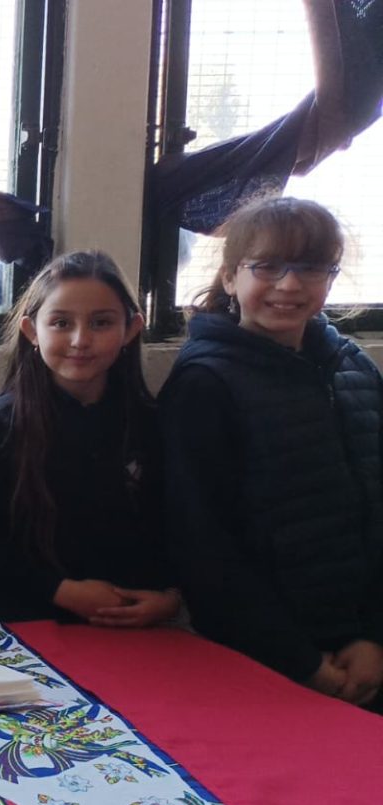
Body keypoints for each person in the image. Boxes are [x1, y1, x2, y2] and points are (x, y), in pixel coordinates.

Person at [160, 197, 383, 708]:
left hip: (365, 651)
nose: (289, 285)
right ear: (231, 276)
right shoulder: (204, 383)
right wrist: (301, 663)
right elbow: (203, 547)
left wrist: (374, 637)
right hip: (267, 659)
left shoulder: (355, 369)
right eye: (267, 266)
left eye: (311, 268)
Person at [0, 250, 178, 626]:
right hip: (25, 621)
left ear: (131, 329)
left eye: (101, 323)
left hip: (135, 623)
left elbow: (178, 528)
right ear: (32, 331)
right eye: (61, 322)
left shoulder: (153, 423)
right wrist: (60, 591)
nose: (80, 340)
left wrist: (170, 598)